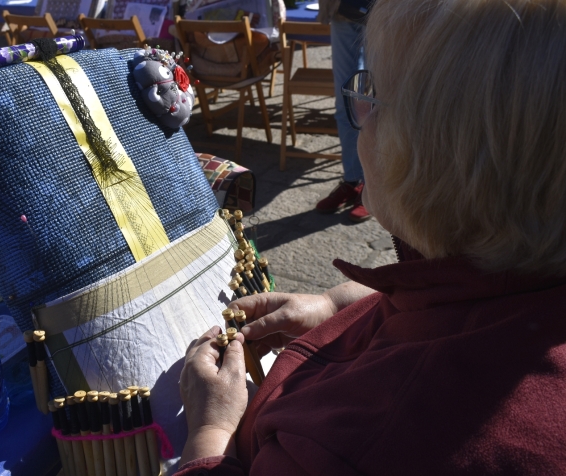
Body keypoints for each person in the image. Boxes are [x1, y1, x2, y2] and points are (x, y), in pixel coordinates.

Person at [175, 0, 566, 473]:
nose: (358, 106)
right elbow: (476, 303)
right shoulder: (528, 266)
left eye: (371, 93)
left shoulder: (344, 446)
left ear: (425, 162)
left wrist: (209, 435)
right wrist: (342, 306)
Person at [314, 0, 371, 222]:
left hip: (385, 11)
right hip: (342, 9)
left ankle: (374, 187)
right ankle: (353, 180)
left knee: (376, 101)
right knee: (345, 103)